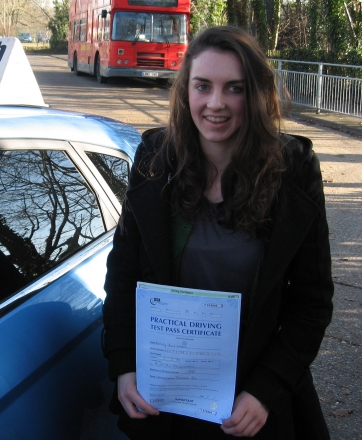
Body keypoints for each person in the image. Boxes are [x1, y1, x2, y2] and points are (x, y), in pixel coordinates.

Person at [102, 25, 334, 439]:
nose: (216, 104)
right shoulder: (155, 158)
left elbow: (311, 304)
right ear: (185, 90)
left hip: (250, 407)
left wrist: (267, 390)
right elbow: (122, 277)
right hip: (164, 403)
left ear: (257, 95)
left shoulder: (294, 170)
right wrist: (123, 365)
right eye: (203, 86)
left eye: (234, 89)